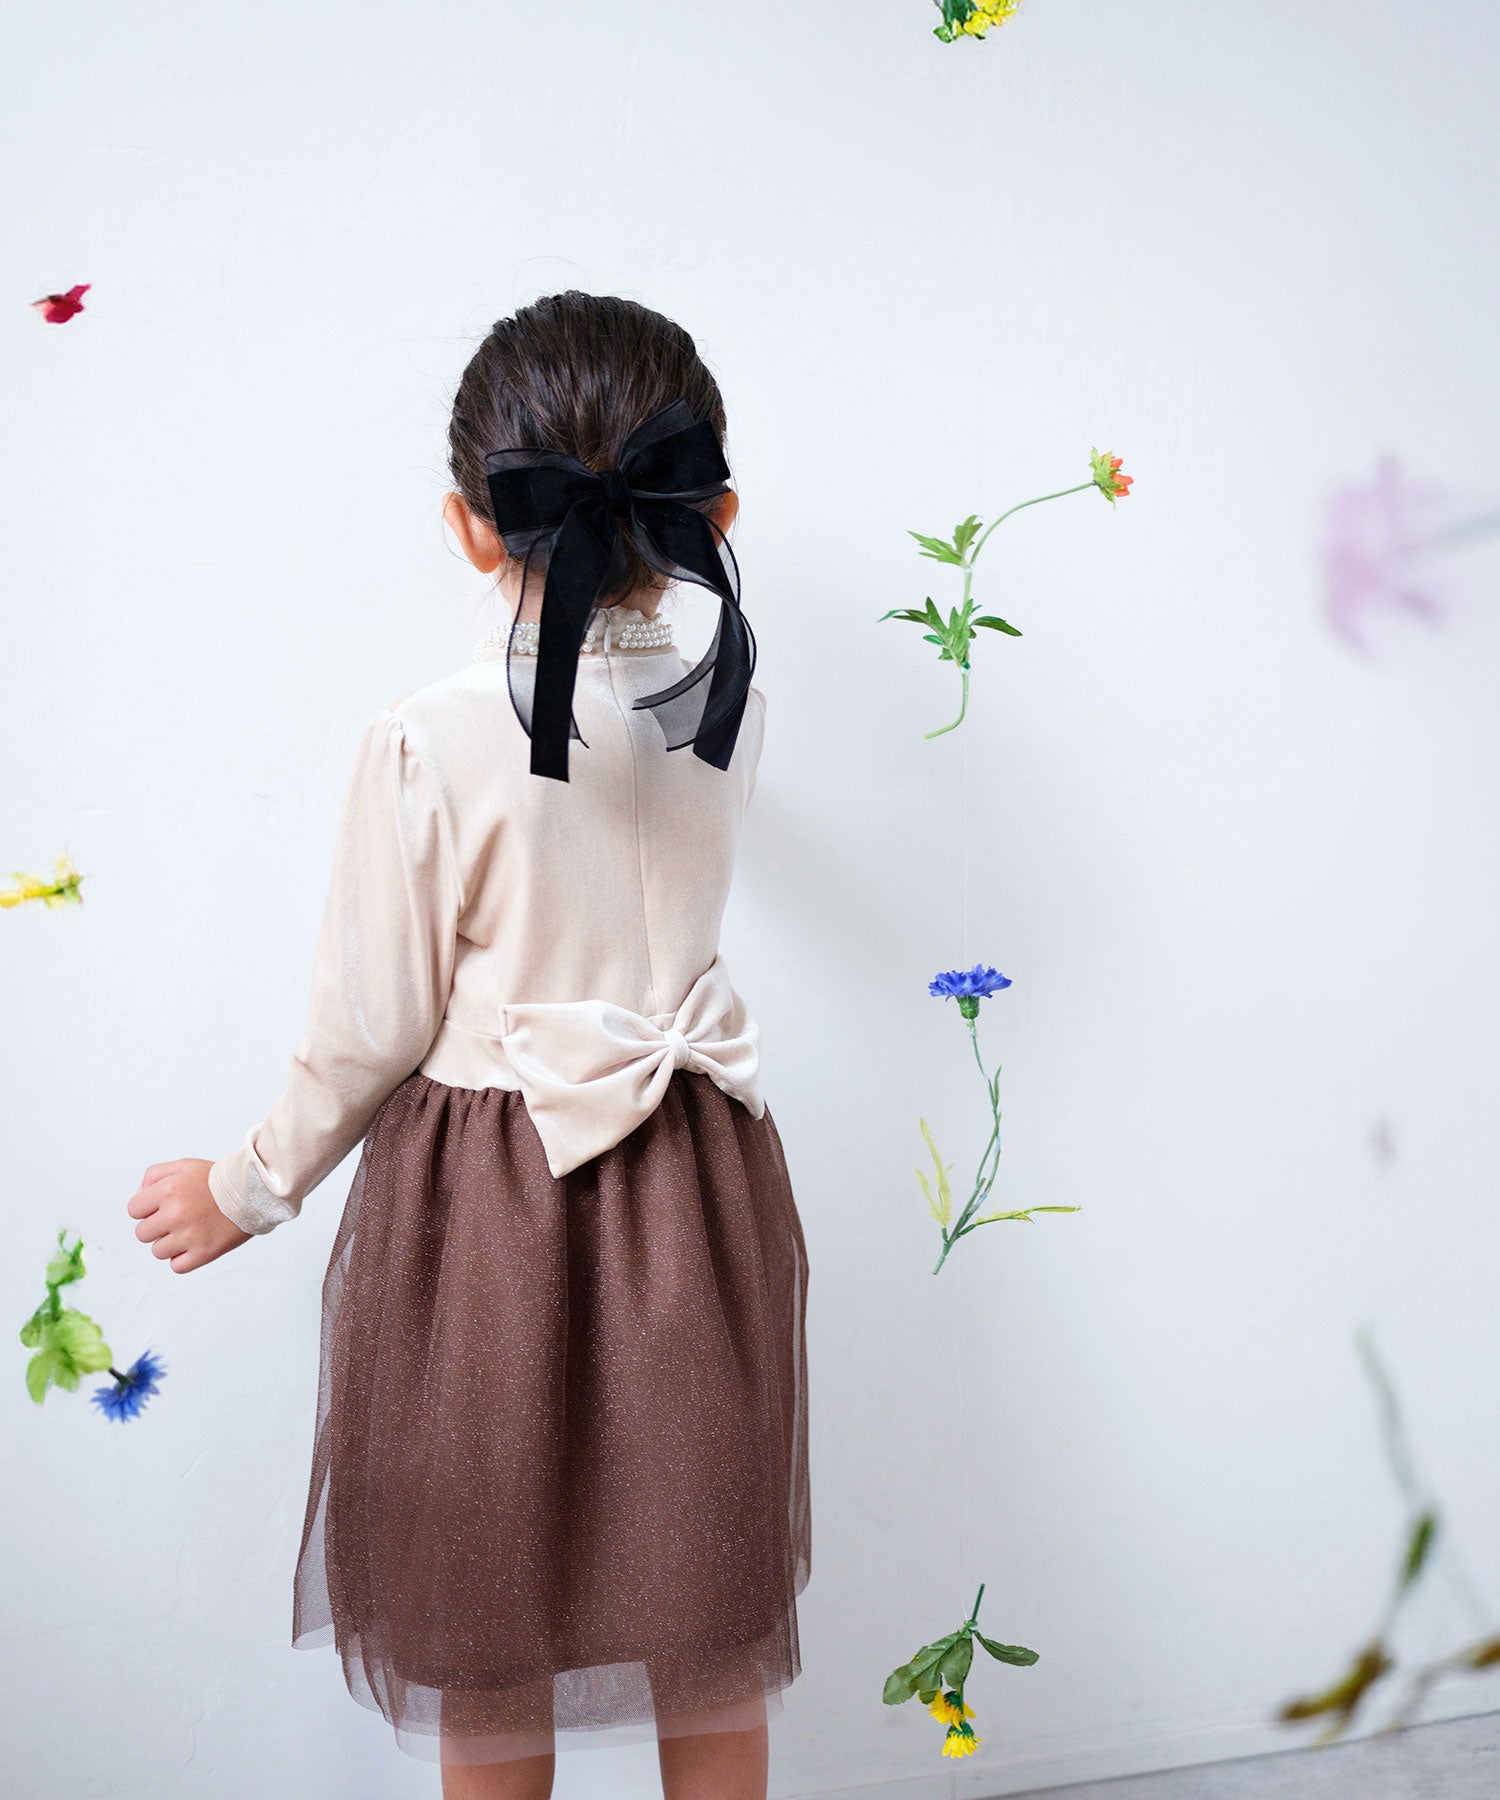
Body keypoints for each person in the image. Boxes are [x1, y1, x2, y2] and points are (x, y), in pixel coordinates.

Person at [124, 291, 810, 1800]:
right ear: (714, 513)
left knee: (485, 1609)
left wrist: (244, 1187)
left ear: (470, 526)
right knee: (704, 1605)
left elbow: (371, 1022)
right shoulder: (731, 707)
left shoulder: (428, 739)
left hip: (499, 1207)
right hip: (698, 1185)